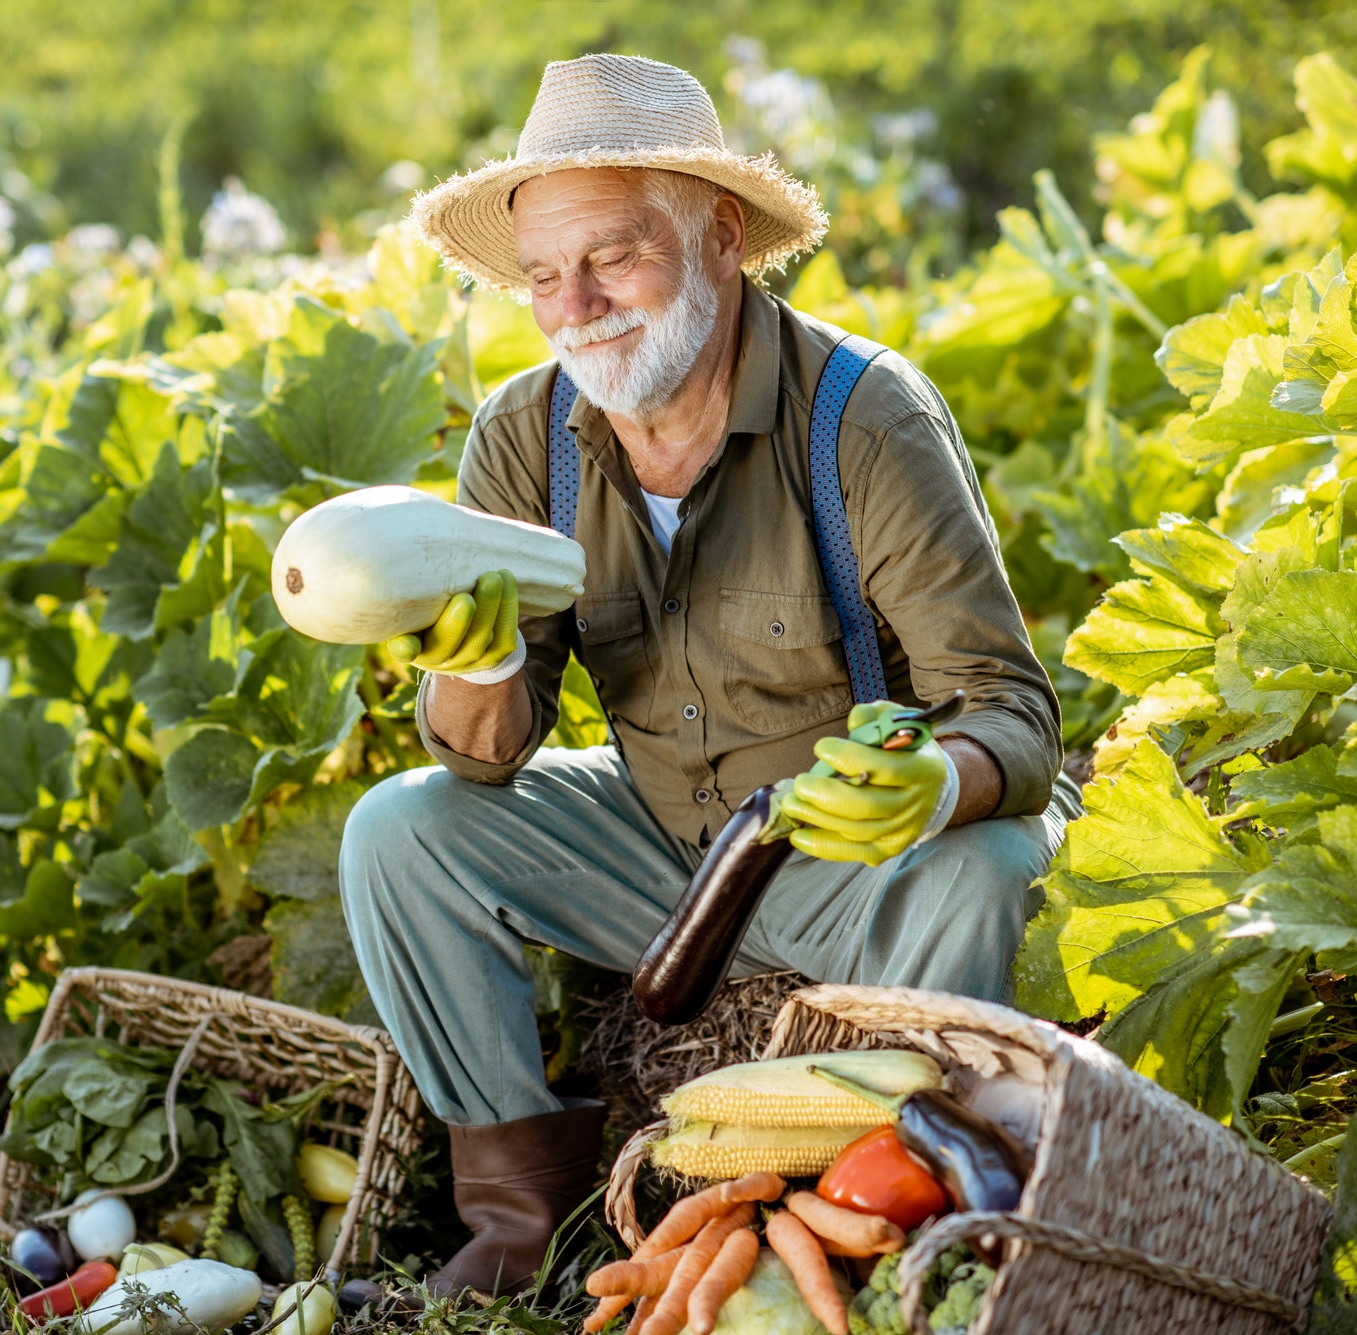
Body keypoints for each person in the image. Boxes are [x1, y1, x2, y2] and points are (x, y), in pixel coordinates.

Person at [337, 53, 1083, 1298]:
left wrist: (928, 790)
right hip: (664, 843)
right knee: (400, 832)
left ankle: (890, 1222)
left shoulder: (863, 418)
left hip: (847, 858)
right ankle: (522, 1216)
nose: (575, 304)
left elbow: (1012, 714)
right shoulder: (523, 436)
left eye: (613, 257)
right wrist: (471, 669)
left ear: (721, 235)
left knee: (989, 863)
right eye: (540, 276)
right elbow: (482, 760)